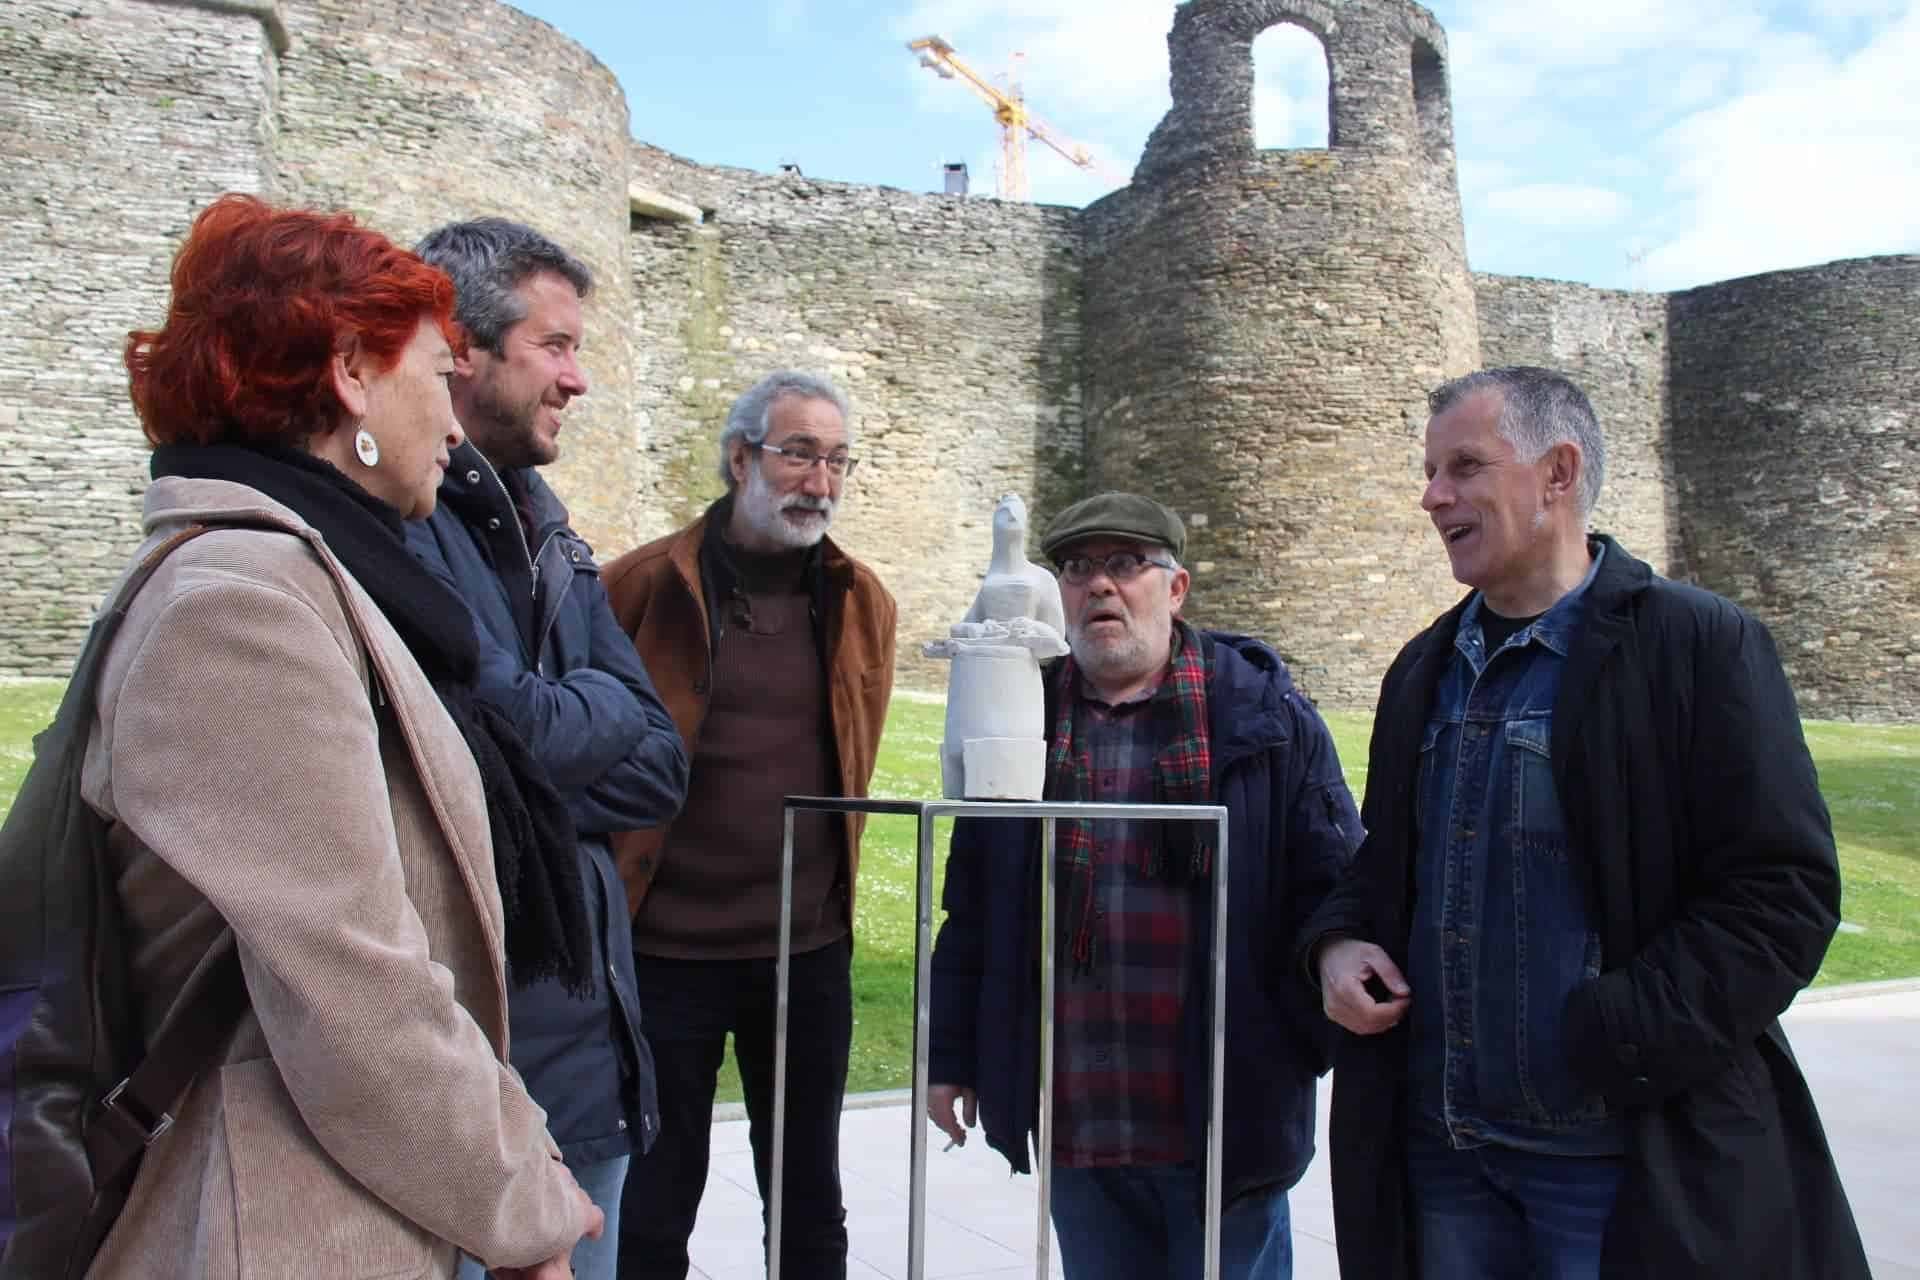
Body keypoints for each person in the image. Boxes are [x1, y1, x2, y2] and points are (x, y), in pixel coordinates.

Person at [76, 194, 599, 1278]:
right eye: (430, 375)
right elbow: (353, 988)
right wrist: (524, 1208)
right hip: (270, 1221)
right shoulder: (241, 602)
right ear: (353, 375)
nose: (453, 425)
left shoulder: (314, 577)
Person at [1300, 366, 1870, 1279]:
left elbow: (1782, 894)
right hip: (1444, 1160)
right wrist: (1337, 946)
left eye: (1464, 467)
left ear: (1558, 474)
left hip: (1616, 1166)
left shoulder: (1698, 645)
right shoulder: (1424, 668)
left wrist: (1617, 1031)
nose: (1431, 495)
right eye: (1431, 469)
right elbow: (1382, 872)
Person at [928, 491, 1361, 1279]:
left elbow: (1334, 883)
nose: (1100, 586)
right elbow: (976, 904)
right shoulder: (1022, 719)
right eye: (1079, 568)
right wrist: (951, 1050)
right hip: (1079, 1116)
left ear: (1176, 586)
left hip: (1226, 1114)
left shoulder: (1262, 716)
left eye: (1125, 565)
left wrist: (1300, 1034)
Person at [407, 218, 690, 1280]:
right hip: (472, 1085)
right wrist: (566, 722)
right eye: (557, 346)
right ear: (461, 343)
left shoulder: (552, 532)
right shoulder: (399, 522)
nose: (580, 380)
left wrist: (539, 738)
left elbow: (662, 760)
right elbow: (478, 749)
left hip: (588, 1072)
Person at [601, 370, 896, 1280]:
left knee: (810, 1208)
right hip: (663, 955)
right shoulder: (639, 588)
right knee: (651, 1210)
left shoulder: (861, 603)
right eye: (799, 453)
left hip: (805, 956)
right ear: (740, 459)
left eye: (838, 460)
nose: (821, 481)